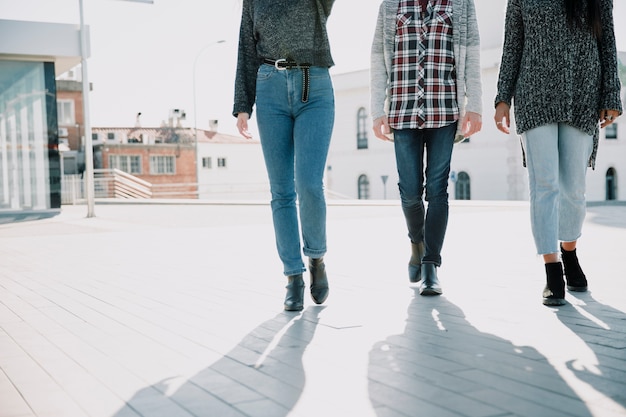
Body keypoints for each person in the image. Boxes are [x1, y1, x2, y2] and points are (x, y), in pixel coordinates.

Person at [494, 0, 622, 306]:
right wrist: (503, 98)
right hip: (533, 93)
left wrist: (611, 93)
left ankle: (569, 251)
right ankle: (552, 269)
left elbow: (608, 40)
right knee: (544, 185)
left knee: (574, 188)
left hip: (583, 92)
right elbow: (512, 44)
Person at [370, 0, 483, 295]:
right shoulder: (391, 5)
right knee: (409, 191)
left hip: (444, 111)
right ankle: (416, 243)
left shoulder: (460, 4)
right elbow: (378, 58)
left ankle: (431, 266)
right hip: (402, 113)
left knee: (437, 190)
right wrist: (376, 111)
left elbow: (471, 55)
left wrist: (476, 106)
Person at [233, 0, 335, 311]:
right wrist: (242, 105)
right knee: (281, 192)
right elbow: (246, 49)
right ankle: (293, 277)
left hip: (313, 85)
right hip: (270, 88)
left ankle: (316, 256)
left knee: (309, 184)